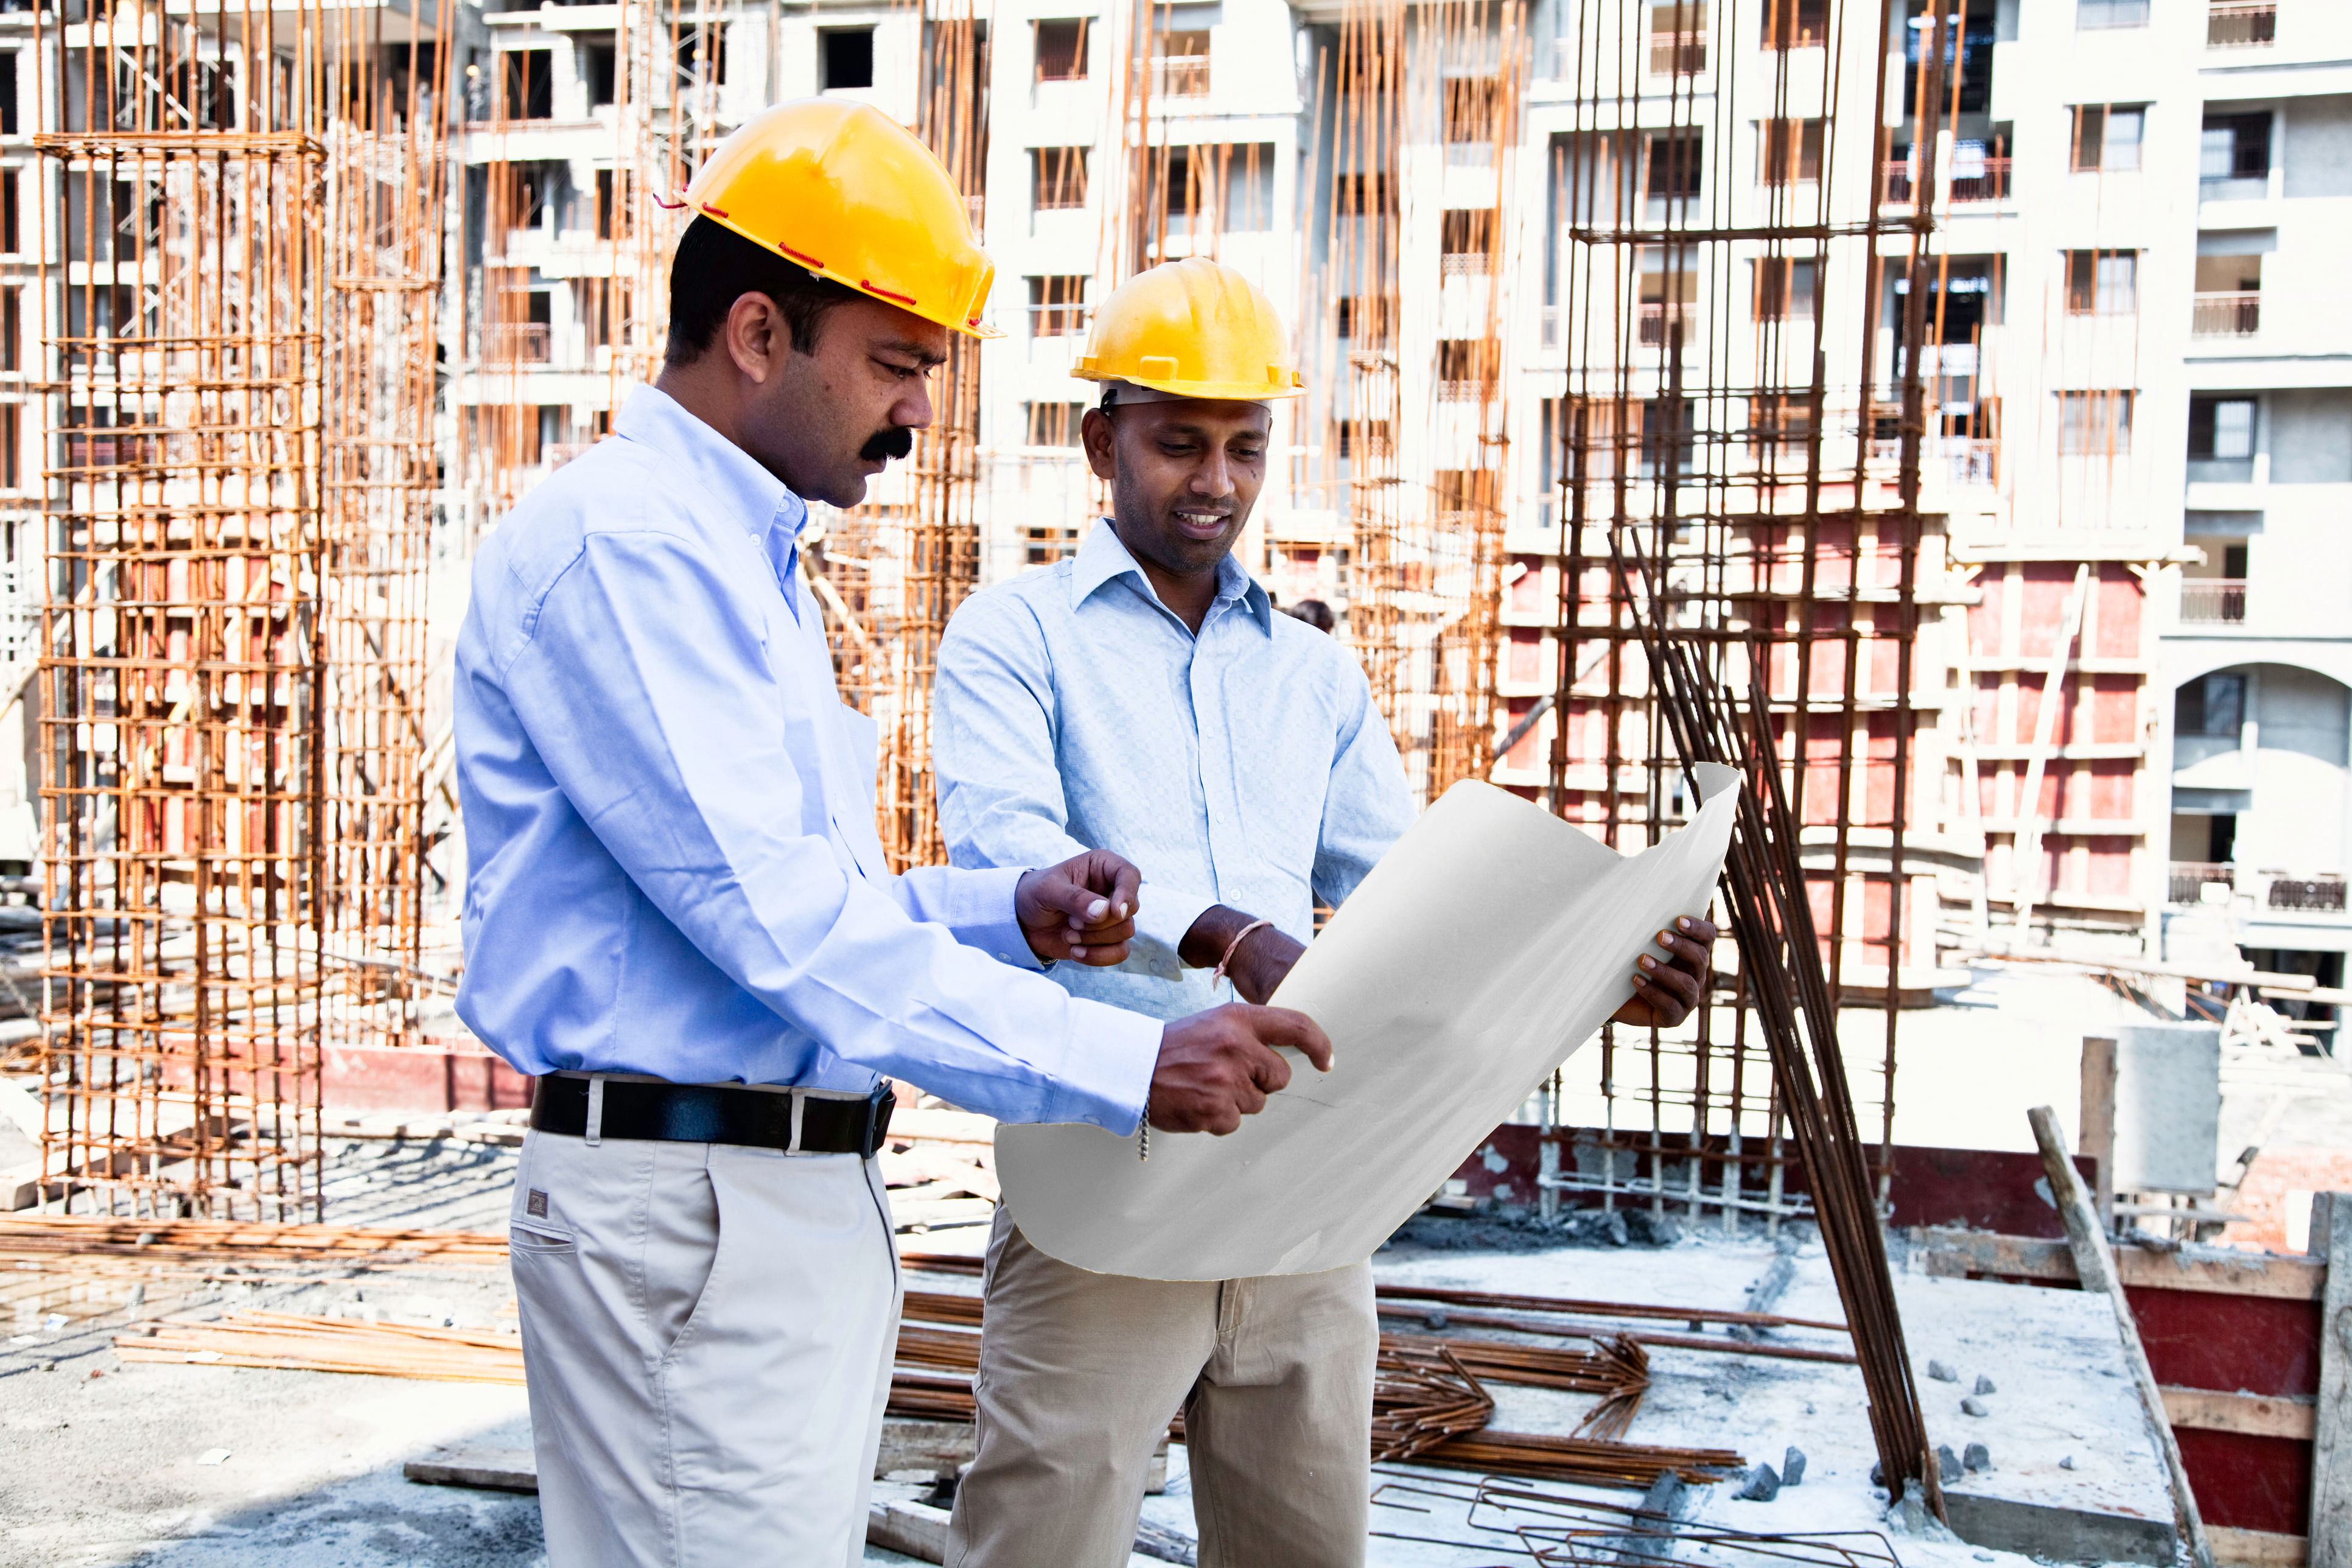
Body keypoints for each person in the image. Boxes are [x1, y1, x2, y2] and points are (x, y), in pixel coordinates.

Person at [452, 106, 1333, 1568]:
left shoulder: (741, 562)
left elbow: (804, 898)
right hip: (693, 1209)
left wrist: (1010, 910)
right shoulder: (631, 552)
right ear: (756, 332)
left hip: (758, 1198)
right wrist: (1128, 1058)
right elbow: (785, 931)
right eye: (899, 366)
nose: (920, 414)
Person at [930, 256, 1719, 1568]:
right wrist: (1225, 929)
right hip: (1102, 1185)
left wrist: (1604, 969)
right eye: (1179, 442)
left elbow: (1415, 897)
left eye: (1245, 446)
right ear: (1098, 442)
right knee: (1040, 1544)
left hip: (1300, 1195)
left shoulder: (1313, 672)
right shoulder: (1014, 637)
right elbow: (1014, 851)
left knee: (1306, 1547)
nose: (1217, 480)